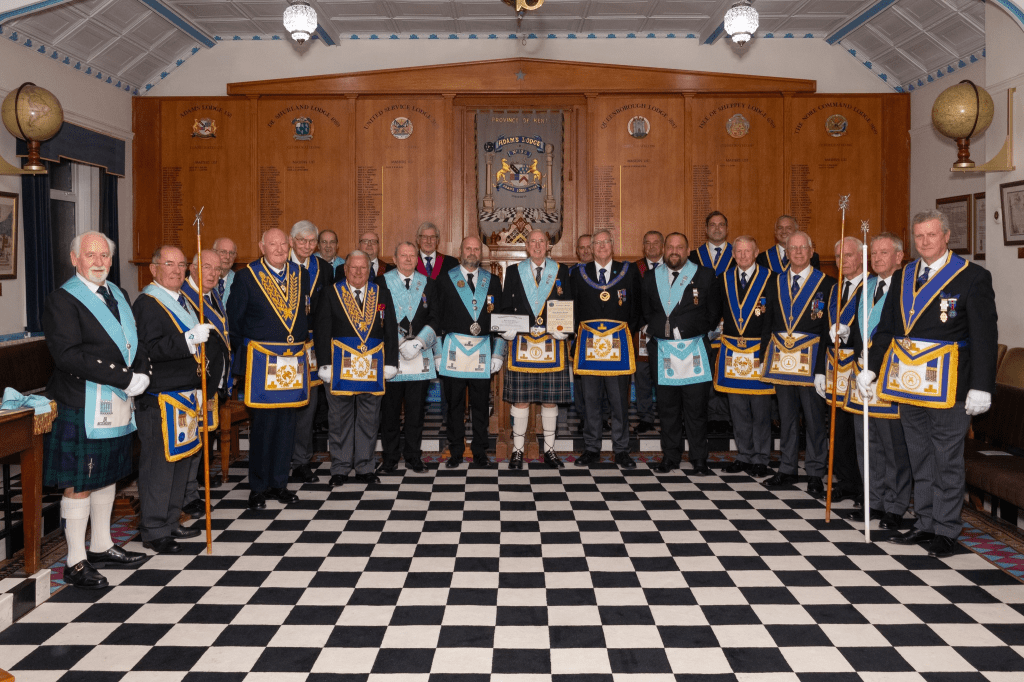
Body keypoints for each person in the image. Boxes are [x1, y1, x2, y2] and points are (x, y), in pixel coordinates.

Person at [858, 210, 997, 558]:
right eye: (919, 236)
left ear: (947, 236)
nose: (925, 242)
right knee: (919, 454)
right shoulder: (903, 276)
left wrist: (982, 385)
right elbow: (887, 328)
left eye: (932, 235)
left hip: (950, 386)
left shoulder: (971, 276)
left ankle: (946, 529)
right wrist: (872, 367)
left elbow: (984, 335)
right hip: (908, 383)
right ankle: (925, 522)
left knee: (946, 458)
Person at [42, 231, 151, 588]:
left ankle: (102, 545)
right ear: (74, 259)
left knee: (107, 475)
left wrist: (143, 373)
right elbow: (68, 356)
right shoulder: (62, 300)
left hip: (116, 400)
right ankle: (75, 561)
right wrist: (125, 378)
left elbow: (134, 341)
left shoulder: (118, 293)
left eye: (104, 255)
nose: (98, 262)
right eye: (90, 255)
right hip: (81, 401)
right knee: (80, 482)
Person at [132, 246, 214, 553]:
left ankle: (170, 519)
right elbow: (150, 348)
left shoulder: (183, 301)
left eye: (181, 264)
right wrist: (188, 339)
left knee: (182, 462)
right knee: (159, 466)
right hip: (160, 397)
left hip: (185, 395)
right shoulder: (148, 303)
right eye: (169, 264)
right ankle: (154, 529)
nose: (177, 270)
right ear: (154, 268)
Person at [227, 228, 311, 510]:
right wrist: (245, 359)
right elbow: (235, 322)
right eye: (272, 244)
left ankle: (279, 484)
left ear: (290, 246)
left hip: (292, 361)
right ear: (261, 247)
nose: (278, 249)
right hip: (261, 363)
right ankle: (258, 488)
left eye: (283, 244)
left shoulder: (300, 274)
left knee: (287, 425)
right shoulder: (247, 277)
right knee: (263, 427)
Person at [759, 230, 836, 498]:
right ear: (787, 253)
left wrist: (822, 368)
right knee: (786, 417)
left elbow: (827, 330)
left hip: (811, 363)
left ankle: (815, 472)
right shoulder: (775, 281)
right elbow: (768, 321)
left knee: (814, 420)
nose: (799, 252)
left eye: (804, 248)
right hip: (781, 361)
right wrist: (762, 356)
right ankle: (787, 467)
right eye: (794, 248)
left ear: (812, 251)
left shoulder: (827, 284)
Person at [842, 232, 910, 530]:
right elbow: (862, 328)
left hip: (889, 373)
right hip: (861, 373)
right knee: (866, 443)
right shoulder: (867, 286)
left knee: (892, 445)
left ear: (899, 256)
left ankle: (895, 505)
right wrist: (847, 336)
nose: (877, 258)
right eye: (874, 253)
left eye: (884, 252)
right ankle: (874, 500)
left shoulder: (907, 288)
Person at [315, 250, 398, 486]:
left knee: (369, 419)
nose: (359, 272)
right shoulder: (331, 292)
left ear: (370, 270)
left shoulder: (381, 293)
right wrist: (324, 363)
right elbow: (322, 329)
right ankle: (340, 468)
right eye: (354, 267)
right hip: (340, 367)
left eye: (363, 268)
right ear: (345, 269)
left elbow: (390, 329)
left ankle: (365, 467)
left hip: (372, 366)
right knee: (339, 418)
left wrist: (391, 362)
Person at [641, 233, 718, 474]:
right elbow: (645, 311)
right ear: (665, 249)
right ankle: (670, 457)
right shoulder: (651, 277)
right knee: (667, 409)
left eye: (680, 247)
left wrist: (689, 329)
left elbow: (714, 313)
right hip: (663, 351)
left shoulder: (705, 275)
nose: (675, 251)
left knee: (696, 409)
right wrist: (657, 329)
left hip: (694, 350)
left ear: (687, 250)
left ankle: (699, 459)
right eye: (671, 247)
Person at [498, 229, 574, 469]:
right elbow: (505, 307)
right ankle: (517, 451)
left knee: (550, 401)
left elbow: (569, 303)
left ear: (548, 245)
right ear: (526, 246)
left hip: (553, 342)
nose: (537, 245)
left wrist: (567, 328)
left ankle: (550, 451)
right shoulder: (514, 271)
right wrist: (506, 328)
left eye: (542, 241)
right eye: (533, 241)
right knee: (520, 400)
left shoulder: (561, 271)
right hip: (521, 344)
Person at [571, 229, 642, 469]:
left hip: (618, 346)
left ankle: (621, 450)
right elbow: (572, 308)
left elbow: (637, 307)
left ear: (613, 245)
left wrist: (625, 333)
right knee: (591, 400)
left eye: (606, 242)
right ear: (591, 248)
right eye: (597, 243)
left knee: (619, 400)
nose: (601, 246)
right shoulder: (579, 273)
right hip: (589, 346)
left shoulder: (628, 271)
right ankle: (592, 448)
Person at [435, 236, 505, 468]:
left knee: (481, 404)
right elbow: (436, 319)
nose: (472, 252)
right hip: (453, 351)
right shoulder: (445, 279)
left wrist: (498, 352)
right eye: (468, 248)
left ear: (481, 254)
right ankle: (456, 450)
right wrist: (437, 352)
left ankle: (480, 451)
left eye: (476, 249)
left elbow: (500, 319)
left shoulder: (492, 281)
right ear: (460, 251)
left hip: (482, 351)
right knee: (454, 404)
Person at [377, 241, 439, 474]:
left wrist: (419, 342)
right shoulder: (381, 282)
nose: (408, 259)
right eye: (403, 255)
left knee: (415, 412)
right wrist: (399, 341)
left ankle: (413, 456)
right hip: (392, 355)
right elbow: (378, 316)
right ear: (395, 258)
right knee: (390, 412)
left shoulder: (429, 284)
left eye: (412, 255)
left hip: (419, 354)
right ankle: (390, 457)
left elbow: (435, 317)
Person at [717, 236, 775, 478]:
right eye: (738, 251)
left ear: (756, 252)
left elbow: (773, 318)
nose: (742, 256)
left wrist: (766, 352)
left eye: (747, 251)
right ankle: (744, 454)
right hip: (732, 351)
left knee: (760, 410)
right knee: (738, 408)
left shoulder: (771, 278)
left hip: (759, 350)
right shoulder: (724, 278)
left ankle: (761, 457)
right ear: (733, 254)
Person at [180, 249, 231, 518]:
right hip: (192, 381)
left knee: (203, 438)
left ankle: (194, 490)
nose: (212, 274)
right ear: (192, 268)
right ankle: (187, 495)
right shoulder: (184, 296)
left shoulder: (213, 296)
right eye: (206, 267)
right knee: (191, 441)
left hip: (212, 381)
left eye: (217, 269)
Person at [819, 236, 866, 504]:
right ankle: (846, 482)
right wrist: (818, 370)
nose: (843, 261)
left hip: (859, 368)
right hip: (834, 368)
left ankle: (863, 487)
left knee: (858, 430)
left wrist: (851, 334)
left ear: (861, 257)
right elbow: (822, 332)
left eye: (848, 255)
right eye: (838, 256)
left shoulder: (871, 286)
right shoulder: (834, 288)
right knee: (839, 430)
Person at [289, 220, 333, 484]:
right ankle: (279, 458)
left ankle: (302, 461)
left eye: (311, 241)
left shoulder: (324, 269)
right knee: (284, 406)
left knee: (308, 405)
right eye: (302, 240)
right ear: (292, 241)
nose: (307, 245)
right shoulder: (279, 266)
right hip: (283, 348)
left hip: (313, 347)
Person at [632, 230, 664, 433]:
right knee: (643, 375)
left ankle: (668, 415)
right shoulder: (635, 268)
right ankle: (645, 417)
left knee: (666, 374)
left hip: (667, 332)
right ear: (643, 246)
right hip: (642, 331)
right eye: (647, 243)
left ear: (663, 246)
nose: (651, 247)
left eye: (656, 243)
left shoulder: (673, 266)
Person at [756, 215, 821, 273]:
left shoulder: (811, 256)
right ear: (775, 232)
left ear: (796, 231)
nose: (784, 231)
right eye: (780, 228)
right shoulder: (762, 258)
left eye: (789, 228)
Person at [689, 211, 735, 275]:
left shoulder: (737, 255)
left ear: (727, 229)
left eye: (721, 224)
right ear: (706, 229)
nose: (717, 229)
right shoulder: (691, 257)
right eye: (712, 225)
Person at [212, 237, 238, 305]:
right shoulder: (202, 280)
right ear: (213, 253)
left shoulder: (239, 281)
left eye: (231, 253)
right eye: (223, 252)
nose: (227, 257)